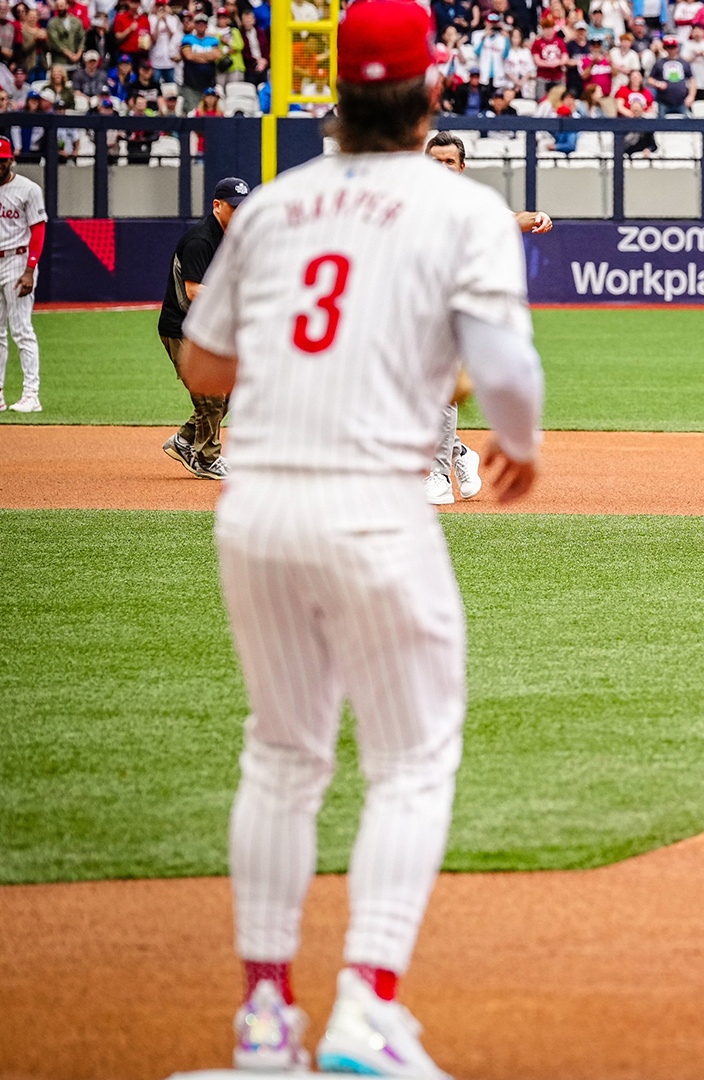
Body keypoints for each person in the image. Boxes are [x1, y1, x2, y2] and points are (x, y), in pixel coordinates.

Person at [174, 2, 544, 1072]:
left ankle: (261, 1025)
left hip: (257, 506)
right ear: (433, 94)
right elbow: (509, 374)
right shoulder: (458, 205)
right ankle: (367, 1010)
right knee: (413, 758)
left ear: (333, 95)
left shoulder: (280, 205)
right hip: (374, 505)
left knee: (281, 755)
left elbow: (203, 370)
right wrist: (519, 444)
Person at [421, 131, 552, 504]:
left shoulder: (473, 206)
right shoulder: (408, 205)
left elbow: (512, 219)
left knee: (443, 389)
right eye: (435, 160)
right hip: (412, 312)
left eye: (449, 161)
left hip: (456, 310)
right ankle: (461, 454)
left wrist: (538, 217)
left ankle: (438, 475)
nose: (442, 167)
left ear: (461, 168)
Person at [157, 176, 249, 478]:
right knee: (212, 394)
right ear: (217, 205)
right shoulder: (201, 240)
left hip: (210, 327)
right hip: (182, 328)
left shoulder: (234, 237)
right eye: (234, 207)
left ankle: (185, 440)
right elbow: (195, 291)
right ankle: (207, 459)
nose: (240, 213)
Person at [0, 137, 45, 413]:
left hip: (17, 261)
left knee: (21, 329)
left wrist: (30, 269)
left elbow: (38, 230)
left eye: (3, 159)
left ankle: (31, 393)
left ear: (11, 159)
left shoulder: (28, 189)